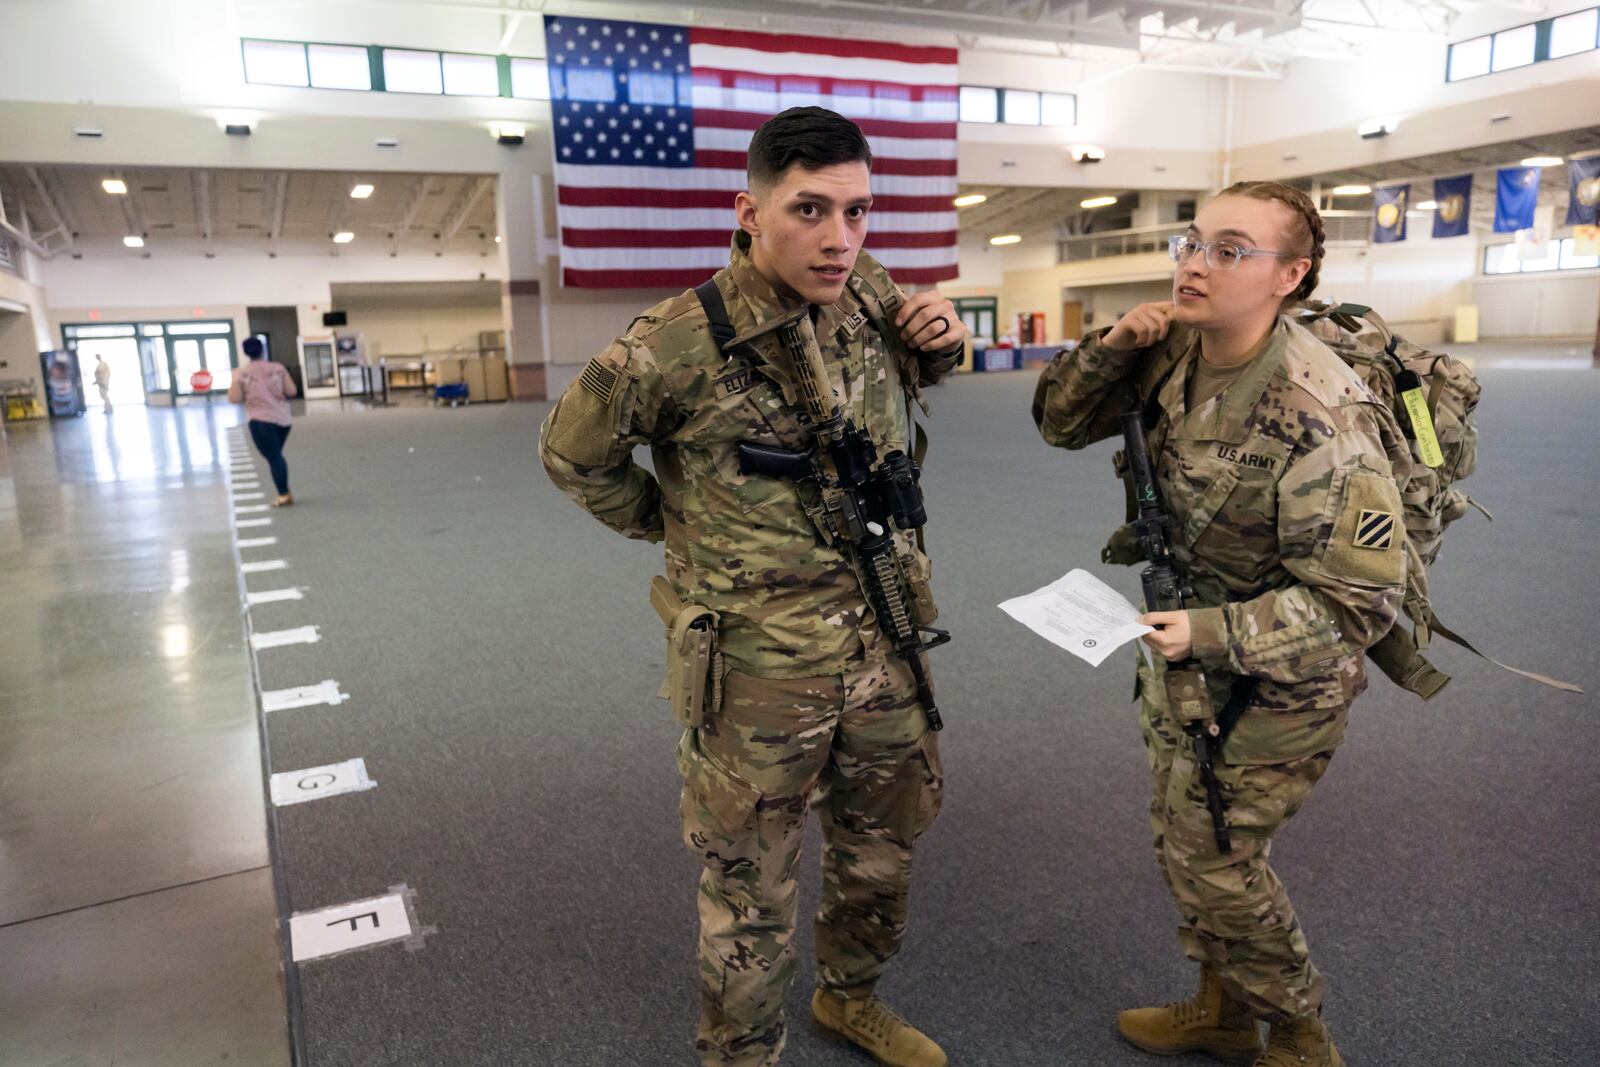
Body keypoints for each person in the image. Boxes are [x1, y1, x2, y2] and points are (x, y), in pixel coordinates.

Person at [540, 107, 966, 1067]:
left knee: (882, 846)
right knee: (749, 886)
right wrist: (672, 522)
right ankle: (741, 1054)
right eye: (810, 209)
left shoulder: (870, 295)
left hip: (887, 637)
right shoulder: (675, 339)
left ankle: (850, 998)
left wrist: (943, 342)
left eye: (857, 212)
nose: (839, 238)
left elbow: (918, 376)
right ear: (750, 210)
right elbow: (573, 455)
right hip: (759, 668)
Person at [1032, 181, 1412, 1067]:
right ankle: (1226, 1009)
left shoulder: (1324, 414)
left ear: (1291, 275)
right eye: (1193, 242)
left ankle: (1301, 1035)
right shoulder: (1173, 352)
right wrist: (1110, 347)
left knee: (1217, 854)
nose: (1197, 264)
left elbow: (1355, 605)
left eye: (1231, 250)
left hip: (1285, 674)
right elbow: (1058, 423)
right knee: (1183, 830)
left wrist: (1208, 634)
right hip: (1184, 645)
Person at [228, 336, 297, 506]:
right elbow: (292, 391)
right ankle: (284, 491)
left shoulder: (241, 373)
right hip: (283, 420)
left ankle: (283, 494)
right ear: (263, 350)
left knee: (274, 457)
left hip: (260, 420)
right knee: (275, 456)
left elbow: (235, 398)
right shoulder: (278, 368)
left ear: (245, 352)